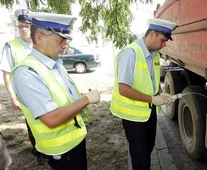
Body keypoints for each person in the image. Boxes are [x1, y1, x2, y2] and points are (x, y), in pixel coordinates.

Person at [10, 11, 100, 170]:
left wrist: (82, 97)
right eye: (60, 41)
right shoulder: (26, 73)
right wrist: (86, 100)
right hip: (61, 150)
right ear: (39, 38)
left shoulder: (55, 63)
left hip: (75, 139)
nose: (65, 45)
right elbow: (51, 118)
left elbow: (64, 98)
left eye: (65, 41)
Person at [110, 18, 177, 170]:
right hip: (133, 117)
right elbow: (123, 88)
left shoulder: (154, 55)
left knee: (147, 151)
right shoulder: (130, 54)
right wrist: (152, 98)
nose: (164, 45)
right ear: (152, 34)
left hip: (148, 112)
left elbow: (151, 80)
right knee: (140, 158)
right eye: (163, 40)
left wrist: (161, 93)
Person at [0, 8, 46, 165]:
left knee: (47, 119)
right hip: (25, 95)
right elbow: (7, 74)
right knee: (33, 122)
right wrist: (13, 98)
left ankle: (48, 147)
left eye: (27, 25)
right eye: (21, 26)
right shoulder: (11, 47)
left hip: (44, 90)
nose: (24, 29)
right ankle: (39, 151)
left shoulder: (40, 41)